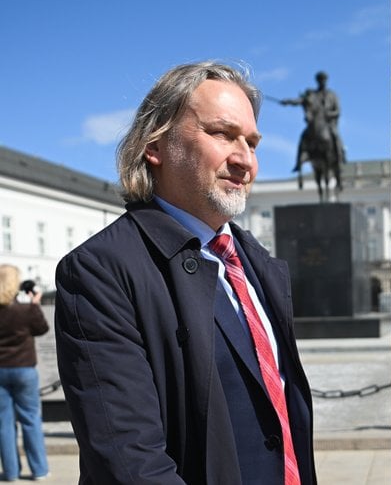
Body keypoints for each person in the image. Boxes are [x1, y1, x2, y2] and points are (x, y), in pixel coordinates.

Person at [55, 62, 316, 484]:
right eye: (222, 134)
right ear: (155, 146)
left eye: (251, 142)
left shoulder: (258, 264)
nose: (244, 159)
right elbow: (131, 463)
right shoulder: (100, 270)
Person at [0, 265, 49, 481]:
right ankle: (39, 470)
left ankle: (11, 472)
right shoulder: (26, 310)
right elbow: (42, 329)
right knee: (31, 420)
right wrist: (35, 305)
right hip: (24, 369)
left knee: (4, 423)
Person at [281, 71, 346, 173]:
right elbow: (301, 101)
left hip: (328, 123)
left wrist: (328, 114)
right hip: (315, 123)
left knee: (335, 135)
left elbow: (337, 111)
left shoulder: (332, 95)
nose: (322, 82)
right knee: (303, 137)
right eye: (320, 80)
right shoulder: (313, 95)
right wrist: (288, 101)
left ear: (326, 81)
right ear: (317, 81)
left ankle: (340, 158)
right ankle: (298, 163)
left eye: (323, 80)